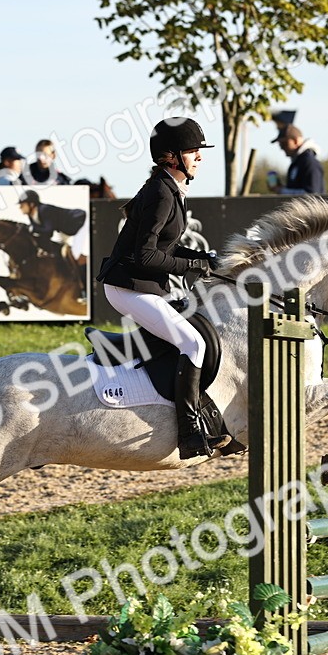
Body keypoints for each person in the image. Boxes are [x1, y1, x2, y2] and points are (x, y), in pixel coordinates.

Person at [95, 117, 227, 460]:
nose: (200, 156)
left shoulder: (168, 188)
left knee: (189, 329)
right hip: (127, 287)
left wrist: (202, 258)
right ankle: (190, 431)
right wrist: (192, 266)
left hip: (141, 284)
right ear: (172, 156)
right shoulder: (160, 193)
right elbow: (146, 255)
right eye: (193, 151)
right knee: (193, 343)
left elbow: (165, 250)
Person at [272, 124, 325, 194]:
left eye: (284, 143)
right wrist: (283, 188)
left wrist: (282, 191)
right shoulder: (297, 163)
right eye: (280, 144)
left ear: (295, 141)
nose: (281, 148)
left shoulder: (309, 162)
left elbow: (312, 194)